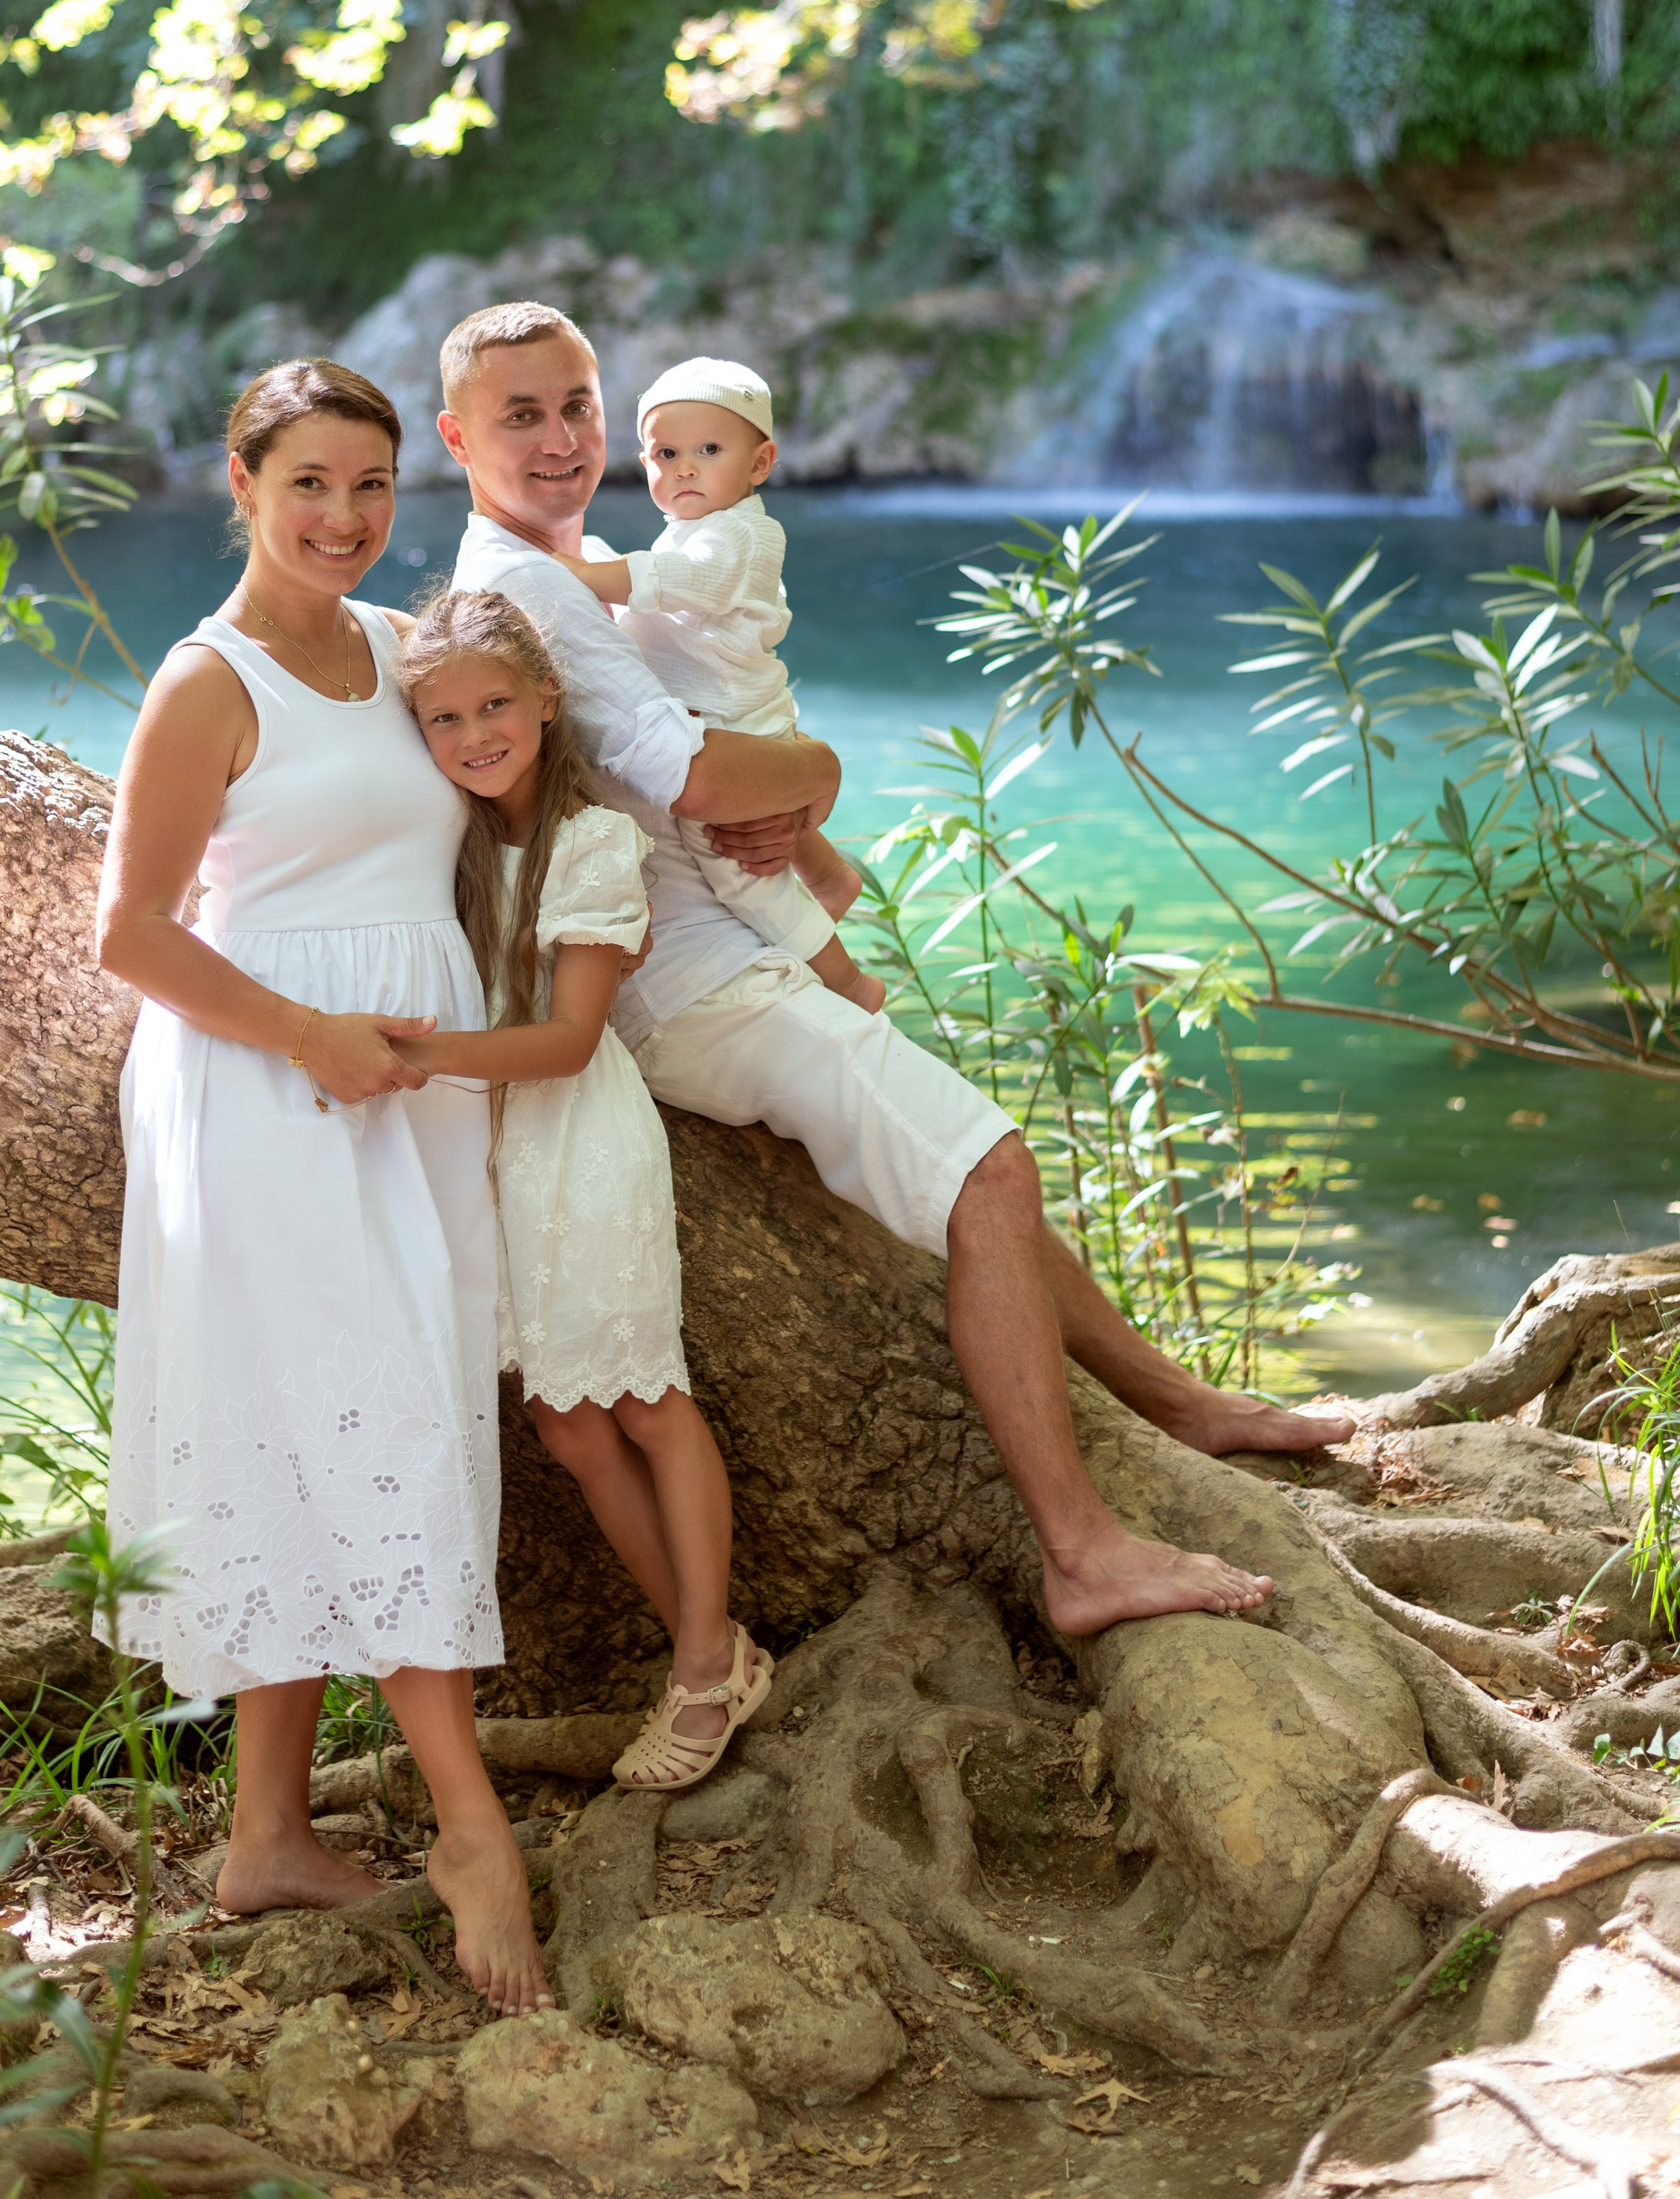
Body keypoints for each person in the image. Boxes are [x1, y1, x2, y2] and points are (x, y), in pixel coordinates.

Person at [437, 301, 1357, 1639]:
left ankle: (1178, 1403)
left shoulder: (585, 571)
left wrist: (784, 810)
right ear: (460, 436)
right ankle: (1083, 1555)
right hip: (680, 982)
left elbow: (696, 770)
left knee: (962, 1149)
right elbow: (696, 775)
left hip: (712, 941)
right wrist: (817, 774)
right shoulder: (531, 593)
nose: (565, 437)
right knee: (990, 1168)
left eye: (579, 404)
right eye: (523, 415)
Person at [96, 358, 550, 2015]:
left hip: (411, 1090)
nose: (346, 519)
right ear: (242, 481)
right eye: (310, 485)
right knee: (375, 1422)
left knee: (358, 1418)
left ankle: (266, 1836)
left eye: (371, 487)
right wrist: (309, 1038)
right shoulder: (204, 683)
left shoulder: (392, 654)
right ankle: (469, 1828)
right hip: (272, 1089)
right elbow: (130, 933)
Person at [393, 584, 772, 1793]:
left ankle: (706, 1663)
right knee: (567, 1423)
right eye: (444, 719)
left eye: (494, 705)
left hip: (577, 1136)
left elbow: (563, 1041)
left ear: (546, 703)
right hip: (485, 1153)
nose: (473, 737)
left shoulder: (594, 843)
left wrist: (420, 1055)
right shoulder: (442, 842)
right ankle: (712, 1653)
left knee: (648, 1398)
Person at [554, 353, 884, 1014]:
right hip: (739, 712)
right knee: (766, 828)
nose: (684, 467)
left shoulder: (741, 535)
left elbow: (689, 583)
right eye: (664, 452)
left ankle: (851, 983)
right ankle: (829, 876)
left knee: (742, 875)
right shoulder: (693, 528)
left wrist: (592, 577)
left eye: (708, 449)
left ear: (760, 463)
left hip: (739, 721)